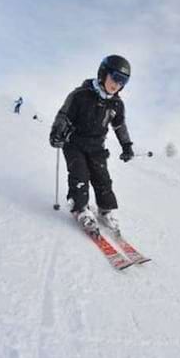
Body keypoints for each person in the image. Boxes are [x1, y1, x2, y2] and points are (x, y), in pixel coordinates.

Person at [49, 55, 135, 233]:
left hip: (97, 147)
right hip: (74, 143)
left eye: (123, 81)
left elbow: (119, 125)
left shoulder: (117, 104)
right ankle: (80, 208)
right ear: (103, 73)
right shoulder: (80, 95)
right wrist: (57, 132)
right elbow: (64, 115)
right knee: (80, 176)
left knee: (102, 178)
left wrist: (126, 146)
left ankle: (105, 210)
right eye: (115, 78)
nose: (117, 84)